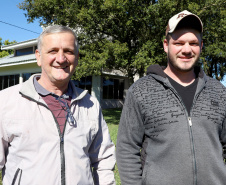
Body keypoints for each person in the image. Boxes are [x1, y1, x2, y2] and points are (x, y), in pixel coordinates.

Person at [116, 10, 226, 185]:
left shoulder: (219, 92)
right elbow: (126, 148)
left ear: (201, 46)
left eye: (193, 43)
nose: (187, 49)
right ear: (166, 45)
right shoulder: (141, 90)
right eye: (179, 42)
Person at [0, 25, 116, 185]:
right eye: (53, 51)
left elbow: (103, 159)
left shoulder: (90, 103)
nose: (61, 59)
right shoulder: (6, 101)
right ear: (39, 56)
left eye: (68, 51)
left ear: (77, 57)